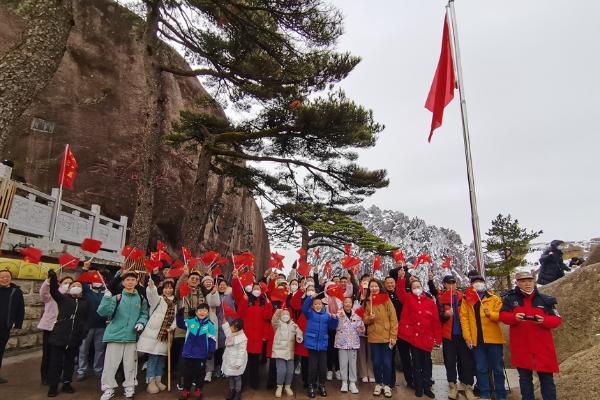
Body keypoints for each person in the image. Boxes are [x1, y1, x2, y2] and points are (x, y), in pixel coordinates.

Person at [500, 271, 562, 400]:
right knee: (524, 379)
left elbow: (557, 320)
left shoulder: (546, 299)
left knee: (547, 379)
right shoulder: (510, 299)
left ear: (533, 281)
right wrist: (514, 317)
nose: (527, 283)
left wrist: (544, 320)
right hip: (521, 347)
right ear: (517, 283)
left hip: (543, 347)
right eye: (523, 281)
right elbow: (502, 316)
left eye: (529, 280)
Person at [97, 270, 149, 400]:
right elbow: (102, 312)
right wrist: (106, 298)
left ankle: (129, 386)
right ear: (123, 282)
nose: (130, 282)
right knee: (111, 364)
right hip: (115, 335)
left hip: (132, 336)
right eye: (127, 280)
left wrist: (141, 323)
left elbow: (144, 314)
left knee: (130, 363)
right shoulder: (117, 297)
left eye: (133, 280)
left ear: (137, 282)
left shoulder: (141, 298)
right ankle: (108, 388)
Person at [396, 269, 441, 399]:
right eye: (414, 287)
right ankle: (419, 386)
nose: (416, 288)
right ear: (411, 288)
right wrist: (401, 278)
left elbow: (435, 321)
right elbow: (400, 292)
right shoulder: (408, 298)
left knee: (427, 363)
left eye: (418, 286)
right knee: (416, 363)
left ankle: (427, 386)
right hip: (414, 337)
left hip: (426, 337)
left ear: (422, 287)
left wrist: (437, 338)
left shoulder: (429, 302)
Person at [460, 274, 506, 400]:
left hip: (494, 339)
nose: (478, 283)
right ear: (471, 285)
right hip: (477, 341)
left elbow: (501, 315)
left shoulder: (494, 298)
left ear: (484, 283)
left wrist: (490, 314)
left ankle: (501, 394)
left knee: (497, 368)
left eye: (480, 281)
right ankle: (485, 393)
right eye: (475, 282)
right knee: (481, 368)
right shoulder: (467, 299)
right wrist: (467, 337)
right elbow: (464, 319)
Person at [45, 270, 91, 397]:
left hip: (75, 337)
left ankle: (67, 383)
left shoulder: (85, 302)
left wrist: (83, 333)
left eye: (78, 286)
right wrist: (53, 277)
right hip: (59, 335)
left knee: (70, 362)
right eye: (73, 286)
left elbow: (88, 319)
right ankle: (53, 386)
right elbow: (53, 290)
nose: (76, 288)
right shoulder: (63, 299)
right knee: (56, 362)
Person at [231, 269, 273, 390]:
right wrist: (235, 279)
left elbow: (267, 316)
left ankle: (254, 382)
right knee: (244, 359)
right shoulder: (246, 299)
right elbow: (240, 313)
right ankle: (242, 383)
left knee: (255, 361)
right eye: (254, 288)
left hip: (257, 336)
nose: (256, 291)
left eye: (258, 289)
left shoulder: (264, 302)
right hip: (246, 335)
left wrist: (269, 304)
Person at [437, 275, 475, 400]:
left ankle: (467, 385)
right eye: (449, 283)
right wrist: (446, 315)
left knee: (466, 361)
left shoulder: (463, 296)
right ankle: (452, 385)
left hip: (463, 335)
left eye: (453, 283)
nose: (452, 285)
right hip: (448, 335)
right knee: (450, 361)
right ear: (444, 285)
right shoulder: (441, 298)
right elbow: (439, 317)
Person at [136, 278, 176, 394]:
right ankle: (150, 381)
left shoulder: (174, 303)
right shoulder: (158, 299)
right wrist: (152, 287)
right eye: (166, 288)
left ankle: (158, 380)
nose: (168, 290)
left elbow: (175, 319)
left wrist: (172, 327)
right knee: (153, 358)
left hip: (166, 334)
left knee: (161, 358)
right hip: (154, 334)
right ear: (162, 289)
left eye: (170, 288)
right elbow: (151, 296)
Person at [362, 279, 398, 398]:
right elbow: (364, 319)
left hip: (387, 337)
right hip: (373, 337)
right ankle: (378, 383)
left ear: (379, 287)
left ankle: (386, 385)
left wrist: (393, 335)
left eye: (376, 286)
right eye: (371, 287)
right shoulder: (367, 302)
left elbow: (393, 318)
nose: (374, 288)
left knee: (387, 363)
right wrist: (369, 319)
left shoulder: (386, 300)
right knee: (376, 362)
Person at [176, 303, 216, 400]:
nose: (202, 312)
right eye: (200, 310)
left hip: (201, 355)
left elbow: (212, 339)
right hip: (188, 353)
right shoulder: (190, 322)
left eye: (204, 310)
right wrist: (179, 314)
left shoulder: (210, 325)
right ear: (196, 312)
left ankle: (198, 390)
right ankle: (186, 390)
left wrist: (211, 351)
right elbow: (180, 324)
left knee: (200, 374)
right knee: (187, 373)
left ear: (207, 313)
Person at [302, 293, 338, 398]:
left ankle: (322, 385)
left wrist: (335, 319)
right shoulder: (309, 314)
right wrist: (310, 298)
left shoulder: (326, 316)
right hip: (312, 345)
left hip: (322, 345)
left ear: (322, 305)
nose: (318, 306)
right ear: (312, 306)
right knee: (312, 368)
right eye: (315, 304)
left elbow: (332, 327)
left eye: (319, 304)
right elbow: (304, 308)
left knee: (323, 368)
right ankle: (311, 386)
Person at [38, 275, 72, 385]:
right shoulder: (53, 294)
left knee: (59, 355)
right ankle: (45, 376)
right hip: (50, 327)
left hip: (63, 329)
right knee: (47, 353)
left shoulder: (72, 297)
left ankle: (57, 375)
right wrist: (48, 281)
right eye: (65, 282)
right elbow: (43, 293)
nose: (68, 284)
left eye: (70, 283)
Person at [383, 274, 414, 389]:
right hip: (389, 331)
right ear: (385, 285)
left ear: (395, 284)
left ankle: (410, 380)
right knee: (389, 357)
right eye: (388, 283)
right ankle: (391, 381)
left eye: (392, 283)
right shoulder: (383, 296)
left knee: (406, 356)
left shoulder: (401, 295)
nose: (390, 285)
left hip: (402, 330)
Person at [76, 270, 107, 381]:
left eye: (100, 278)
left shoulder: (106, 292)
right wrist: (84, 269)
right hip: (87, 326)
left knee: (100, 350)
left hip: (102, 326)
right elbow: (80, 282)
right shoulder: (87, 290)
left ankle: (98, 370)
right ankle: (81, 370)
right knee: (83, 349)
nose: (98, 280)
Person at [334, 296, 364, 394]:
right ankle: (344, 382)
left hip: (353, 343)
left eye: (349, 302)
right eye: (346, 302)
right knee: (343, 363)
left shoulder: (356, 316)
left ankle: (352, 383)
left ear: (352, 304)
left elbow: (361, 329)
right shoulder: (338, 314)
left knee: (352, 364)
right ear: (343, 303)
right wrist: (340, 318)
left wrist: (361, 329)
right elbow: (334, 326)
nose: (347, 304)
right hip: (342, 343)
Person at [271, 308, 303, 397]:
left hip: (290, 353)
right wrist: (277, 313)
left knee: (290, 371)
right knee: (282, 371)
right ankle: (279, 386)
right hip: (279, 352)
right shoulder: (278, 325)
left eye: (287, 314)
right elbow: (274, 320)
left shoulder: (293, 325)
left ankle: (287, 386)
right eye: (283, 314)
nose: (285, 316)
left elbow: (299, 332)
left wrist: (299, 336)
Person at [0, 269, 24, 384]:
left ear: (11, 278)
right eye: (2, 277)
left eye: (7, 277)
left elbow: (20, 308)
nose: (4, 279)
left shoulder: (16, 291)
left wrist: (18, 323)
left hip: (5, 326)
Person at [199, 275, 222, 383]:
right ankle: (200, 370)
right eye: (206, 281)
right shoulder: (199, 292)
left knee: (210, 348)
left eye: (210, 281)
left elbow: (216, 303)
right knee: (199, 347)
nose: (208, 283)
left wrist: (213, 293)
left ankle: (209, 372)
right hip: (199, 321)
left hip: (211, 321)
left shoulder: (214, 292)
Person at [221, 319, 248, 400]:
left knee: (237, 377)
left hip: (237, 361)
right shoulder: (231, 334)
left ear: (236, 329)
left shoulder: (242, 338)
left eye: (231, 326)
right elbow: (227, 332)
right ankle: (231, 390)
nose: (229, 328)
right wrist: (225, 324)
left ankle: (237, 392)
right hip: (229, 359)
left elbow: (241, 351)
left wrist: (238, 363)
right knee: (231, 377)